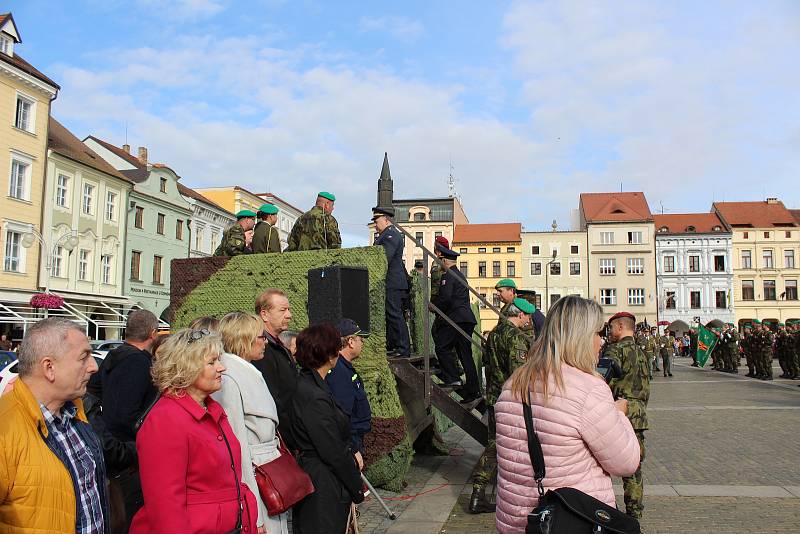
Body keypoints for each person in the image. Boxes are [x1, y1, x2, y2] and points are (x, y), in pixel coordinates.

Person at [494, 297, 640, 532]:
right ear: (580, 337)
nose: (600, 341)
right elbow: (626, 462)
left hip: (517, 521)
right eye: (597, 333)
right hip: (571, 521)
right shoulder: (588, 389)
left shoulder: (513, 384)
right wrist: (618, 414)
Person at [130, 328, 258, 533]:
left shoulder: (212, 410)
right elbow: (166, 506)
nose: (222, 368)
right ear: (186, 367)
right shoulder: (166, 419)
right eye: (212, 362)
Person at [0, 318, 109, 532]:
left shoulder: (76, 412)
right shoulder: (6, 427)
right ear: (49, 367)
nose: (94, 366)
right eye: (84, 357)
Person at [214, 312, 289, 534]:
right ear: (244, 340)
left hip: (266, 470)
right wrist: (252, 512)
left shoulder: (246, 372)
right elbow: (237, 448)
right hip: (256, 479)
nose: (265, 341)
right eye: (260, 337)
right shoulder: (229, 378)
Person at [290, 324, 365, 533]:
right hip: (322, 484)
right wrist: (356, 486)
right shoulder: (312, 394)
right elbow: (331, 449)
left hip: (322, 478)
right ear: (330, 354)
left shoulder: (312, 385)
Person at [95, 309, 160, 529]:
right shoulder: (138, 363)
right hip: (129, 457)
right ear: (153, 333)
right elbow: (127, 414)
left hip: (114, 450)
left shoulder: (115, 356)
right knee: (128, 518)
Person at [469, 297, 534, 514]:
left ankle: (482, 492)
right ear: (520, 314)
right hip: (510, 401)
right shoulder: (515, 337)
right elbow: (519, 374)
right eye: (528, 316)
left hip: (494, 397)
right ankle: (479, 491)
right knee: (499, 445)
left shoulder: (494, 334)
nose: (529, 320)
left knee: (494, 443)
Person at [605, 311, 651, 519]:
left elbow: (602, 379)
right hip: (639, 414)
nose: (611, 331)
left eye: (612, 327)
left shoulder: (615, 350)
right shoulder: (642, 352)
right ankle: (635, 512)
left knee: (604, 462)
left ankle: (605, 507)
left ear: (621, 327)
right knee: (634, 467)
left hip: (619, 411)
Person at [431, 244, 480, 402]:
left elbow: (446, 298)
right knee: (465, 355)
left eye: (440, 260)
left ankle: (452, 378)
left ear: (444, 260)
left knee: (442, 346)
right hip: (466, 319)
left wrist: (433, 307)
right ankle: (474, 391)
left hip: (456, 319)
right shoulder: (459, 274)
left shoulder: (448, 275)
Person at [251, 289, 298, 442]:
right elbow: (273, 401)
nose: (289, 315)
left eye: (289, 310)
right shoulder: (261, 351)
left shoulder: (278, 346)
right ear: (264, 314)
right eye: (283, 310)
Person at [327, 318, 373, 455]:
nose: (362, 343)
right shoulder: (338, 371)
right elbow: (342, 415)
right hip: (350, 444)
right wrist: (352, 447)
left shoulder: (344, 367)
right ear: (351, 342)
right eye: (360, 339)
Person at [372, 207, 411, 357]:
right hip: (392, 282)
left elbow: (384, 258)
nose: (375, 224)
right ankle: (397, 346)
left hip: (393, 282)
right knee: (392, 315)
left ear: (386, 219)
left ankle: (403, 348)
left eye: (377, 220)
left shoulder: (390, 235)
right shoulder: (386, 235)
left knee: (395, 315)